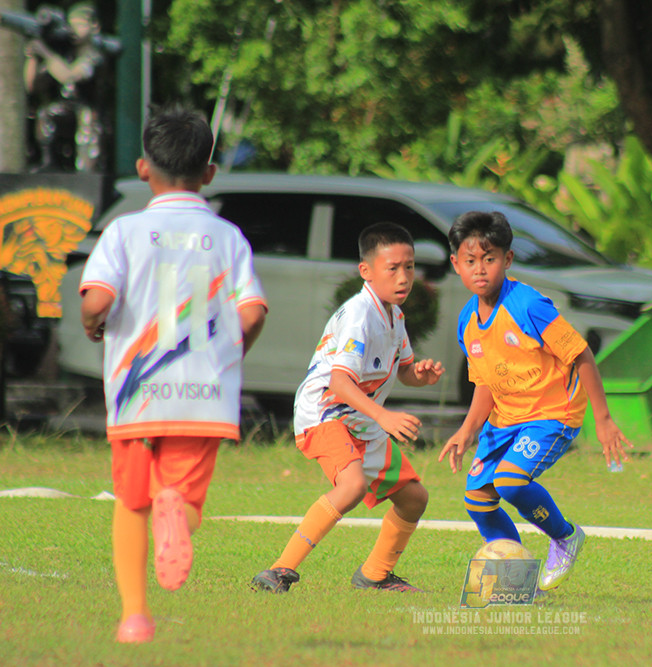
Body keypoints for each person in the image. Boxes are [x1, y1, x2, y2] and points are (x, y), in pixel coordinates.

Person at [79, 105, 268, 643]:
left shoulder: (124, 232)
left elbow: (97, 298)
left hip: (137, 394)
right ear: (209, 173)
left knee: (130, 504)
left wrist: (95, 323)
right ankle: (177, 517)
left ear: (143, 169)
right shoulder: (228, 237)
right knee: (181, 501)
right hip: (203, 395)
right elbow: (251, 312)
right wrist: (236, 349)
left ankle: (134, 617)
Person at [437, 211, 630, 592]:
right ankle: (514, 578)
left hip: (552, 414)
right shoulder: (467, 322)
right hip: (506, 418)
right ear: (455, 264)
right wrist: (467, 430)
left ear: (507, 261)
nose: (480, 269)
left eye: (489, 259)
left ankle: (565, 536)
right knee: (477, 499)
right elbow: (486, 383)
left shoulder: (528, 305)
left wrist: (603, 419)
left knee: (509, 482)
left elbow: (581, 354)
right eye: (470, 261)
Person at [251, 223, 444, 595]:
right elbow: (340, 383)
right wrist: (385, 417)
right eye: (393, 268)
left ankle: (375, 574)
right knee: (352, 484)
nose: (404, 277)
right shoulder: (360, 314)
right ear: (366, 271)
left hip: (360, 419)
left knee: (414, 498)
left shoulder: (394, 314)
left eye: (409, 267)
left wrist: (419, 374)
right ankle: (278, 571)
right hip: (326, 413)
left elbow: (403, 371)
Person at [23, 3, 109, 171]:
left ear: (94, 26)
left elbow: (69, 76)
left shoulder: (95, 55)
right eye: (71, 25)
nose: (74, 30)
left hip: (89, 111)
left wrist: (46, 53)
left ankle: (87, 169)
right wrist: (33, 56)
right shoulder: (63, 54)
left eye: (80, 25)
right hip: (65, 109)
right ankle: (49, 162)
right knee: (46, 113)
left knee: (87, 120)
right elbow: (32, 86)